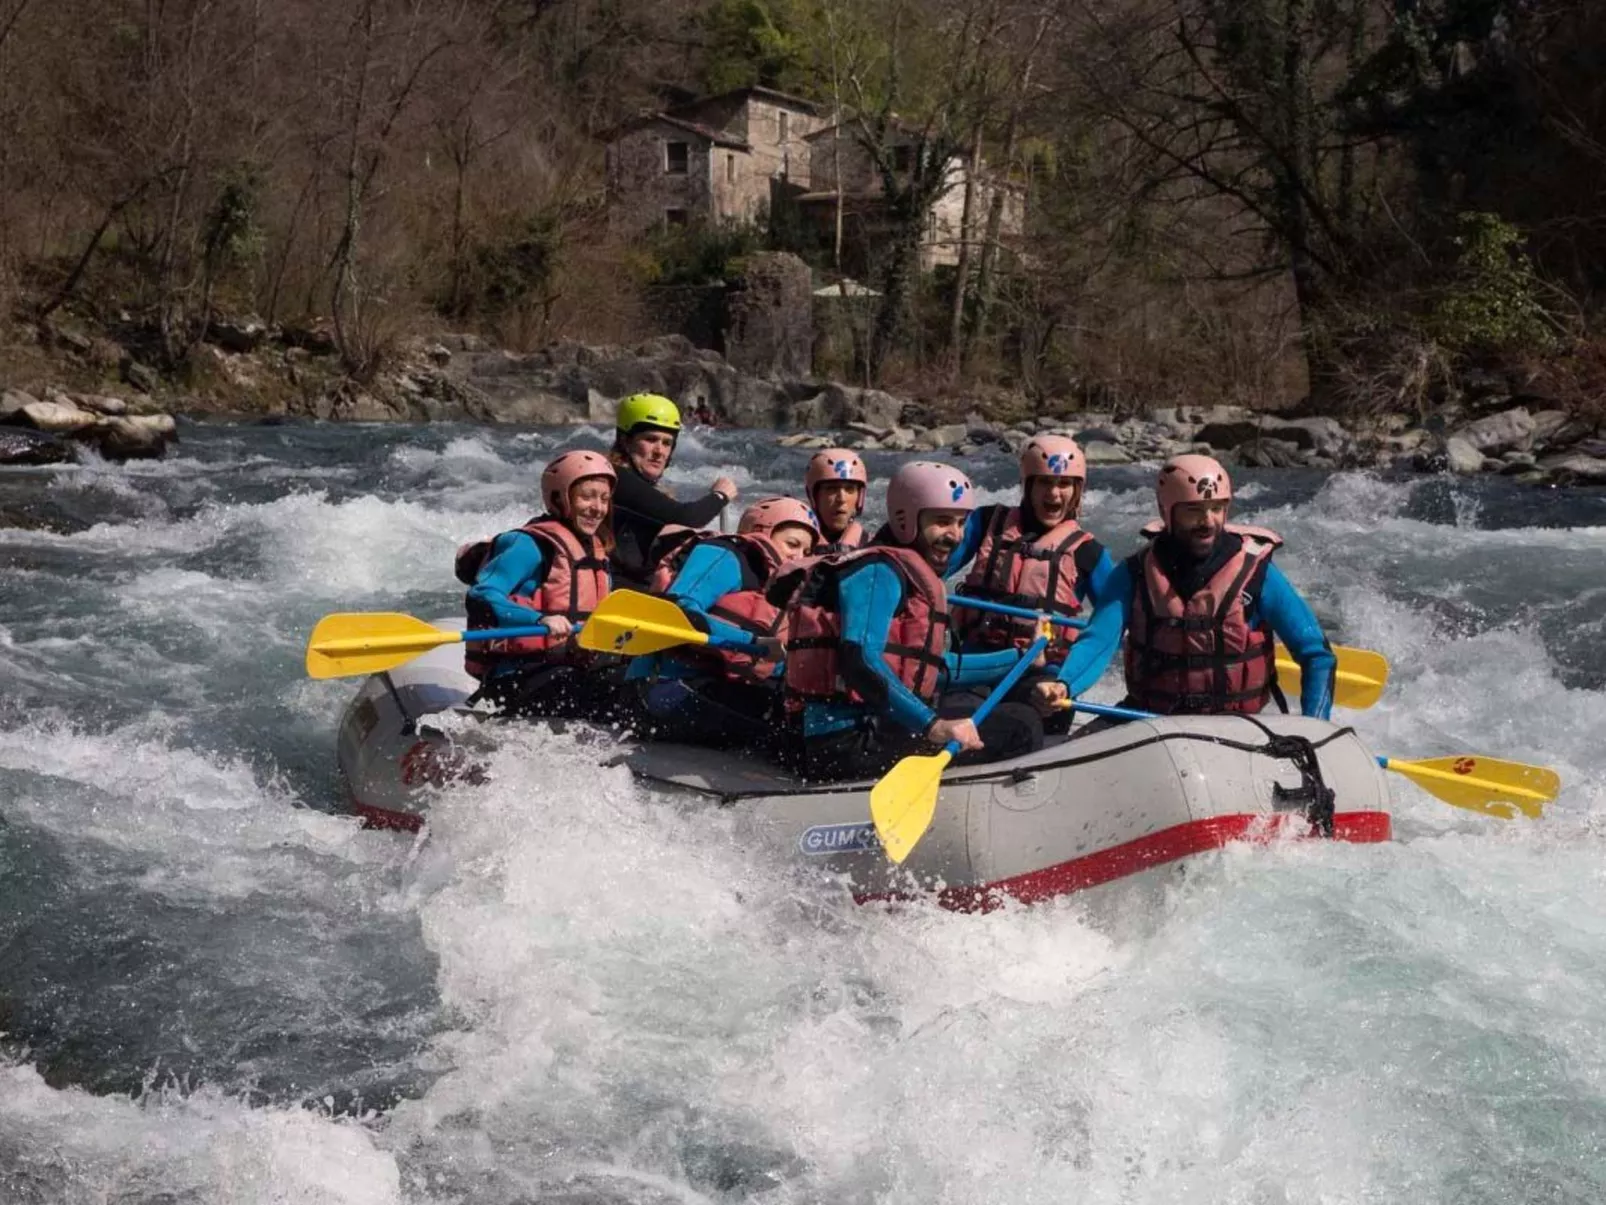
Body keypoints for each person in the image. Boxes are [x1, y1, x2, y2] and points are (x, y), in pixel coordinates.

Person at [773, 461, 1046, 782]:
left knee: (1015, 714)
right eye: (942, 522)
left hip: (870, 730)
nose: (955, 536)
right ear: (905, 520)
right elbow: (858, 659)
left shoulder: (903, 571)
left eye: (961, 524)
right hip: (847, 744)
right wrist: (933, 725)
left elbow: (932, 669)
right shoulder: (878, 570)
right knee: (1020, 724)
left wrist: (1021, 659)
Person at [1044, 453, 1336, 721]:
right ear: (1165, 510)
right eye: (1194, 511)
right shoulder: (1133, 573)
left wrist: (1315, 726)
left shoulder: (1257, 574)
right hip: (1149, 719)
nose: (1207, 522)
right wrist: (1064, 685)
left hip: (1236, 728)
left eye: (1217, 509)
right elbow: (1099, 641)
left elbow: (1317, 656)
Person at [950, 435, 1123, 732]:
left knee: (1026, 724)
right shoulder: (985, 522)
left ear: (1078, 491)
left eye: (1064, 484)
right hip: (976, 661)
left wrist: (1066, 682)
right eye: (1044, 483)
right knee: (959, 713)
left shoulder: (1088, 553)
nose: (1054, 494)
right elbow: (931, 569)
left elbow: (1113, 625)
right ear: (1028, 485)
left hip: (1042, 673)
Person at [626, 496, 820, 750]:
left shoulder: (775, 585)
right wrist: (752, 642)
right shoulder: (725, 554)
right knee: (782, 740)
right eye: (792, 544)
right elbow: (679, 612)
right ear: (762, 531)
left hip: (715, 686)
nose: (799, 557)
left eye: (806, 552)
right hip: (663, 689)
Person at [455, 449, 625, 721]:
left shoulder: (596, 551)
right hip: (518, 674)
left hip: (566, 667)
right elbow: (481, 595)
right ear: (560, 498)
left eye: (604, 499)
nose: (598, 508)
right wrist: (539, 619)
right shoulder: (530, 544)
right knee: (593, 695)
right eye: (587, 496)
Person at [607, 393, 739, 589]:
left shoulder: (643, 486)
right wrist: (720, 496)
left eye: (667, 443)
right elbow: (687, 517)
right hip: (617, 591)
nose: (659, 451)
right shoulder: (614, 477)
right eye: (650, 439)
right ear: (626, 442)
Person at [803, 447, 871, 553]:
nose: (841, 499)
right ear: (813, 495)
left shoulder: (873, 546)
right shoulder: (795, 548)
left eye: (849, 489)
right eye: (831, 489)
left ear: (859, 497)